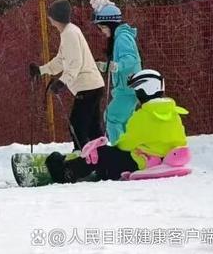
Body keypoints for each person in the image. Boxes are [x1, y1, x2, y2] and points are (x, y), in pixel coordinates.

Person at [43, 69, 189, 183]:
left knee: (101, 153)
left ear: (144, 90)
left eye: (137, 91)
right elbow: (180, 141)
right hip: (160, 160)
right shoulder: (174, 114)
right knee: (110, 157)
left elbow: (126, 145)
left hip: (141, 162)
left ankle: (66, 172)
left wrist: (109, 149)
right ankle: (103, 171)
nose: (136, 95)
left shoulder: (144, 115)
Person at [28, 0, 105, 150]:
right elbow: (61, 60)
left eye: (50, 15)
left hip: (87, 87)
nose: (49, 19)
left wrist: (62, 82)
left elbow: (75, 62)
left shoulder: (69, 34)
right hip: (93, 86)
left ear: (56, 17)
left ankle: (83, 157)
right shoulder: (69, 31)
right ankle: (100, 156)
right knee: (92, 127)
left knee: (77, 124)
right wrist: (41, 70)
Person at [90, 0, 142, 143]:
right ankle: (129, 148)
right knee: (124, 121)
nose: (102, 31)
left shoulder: (123, 38)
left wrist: (117, 66)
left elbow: (131, 59)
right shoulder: (119, 38)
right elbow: (118, 63)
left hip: (127, 89)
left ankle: (120, 149)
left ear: (111, 24)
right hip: (125, 89)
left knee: (111, 117)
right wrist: (105, 66)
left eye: (103, 27)